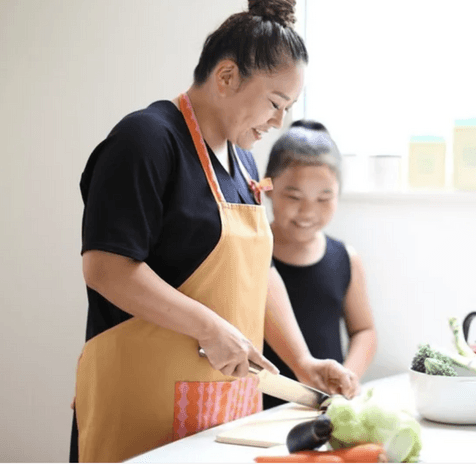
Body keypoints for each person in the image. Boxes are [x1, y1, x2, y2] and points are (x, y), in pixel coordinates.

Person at [71, 1, 356, 462]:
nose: (278, 122)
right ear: (226, 77)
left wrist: (302, 363)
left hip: (223, 410)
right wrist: (208, 327)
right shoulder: (146, 140)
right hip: (139, 403)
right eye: (275, 103)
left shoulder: (242, 160)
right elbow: (107, 267)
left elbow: (256, 273)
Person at [261, 120, 378, 409]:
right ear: (266, 188)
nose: (308, 211)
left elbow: (364, 330)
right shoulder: (253, 253)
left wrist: (348, 375)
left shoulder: (345, 258)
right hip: (257, 407)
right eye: (293, 196)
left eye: (324, 198)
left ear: (338, 193)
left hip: (322, 408)